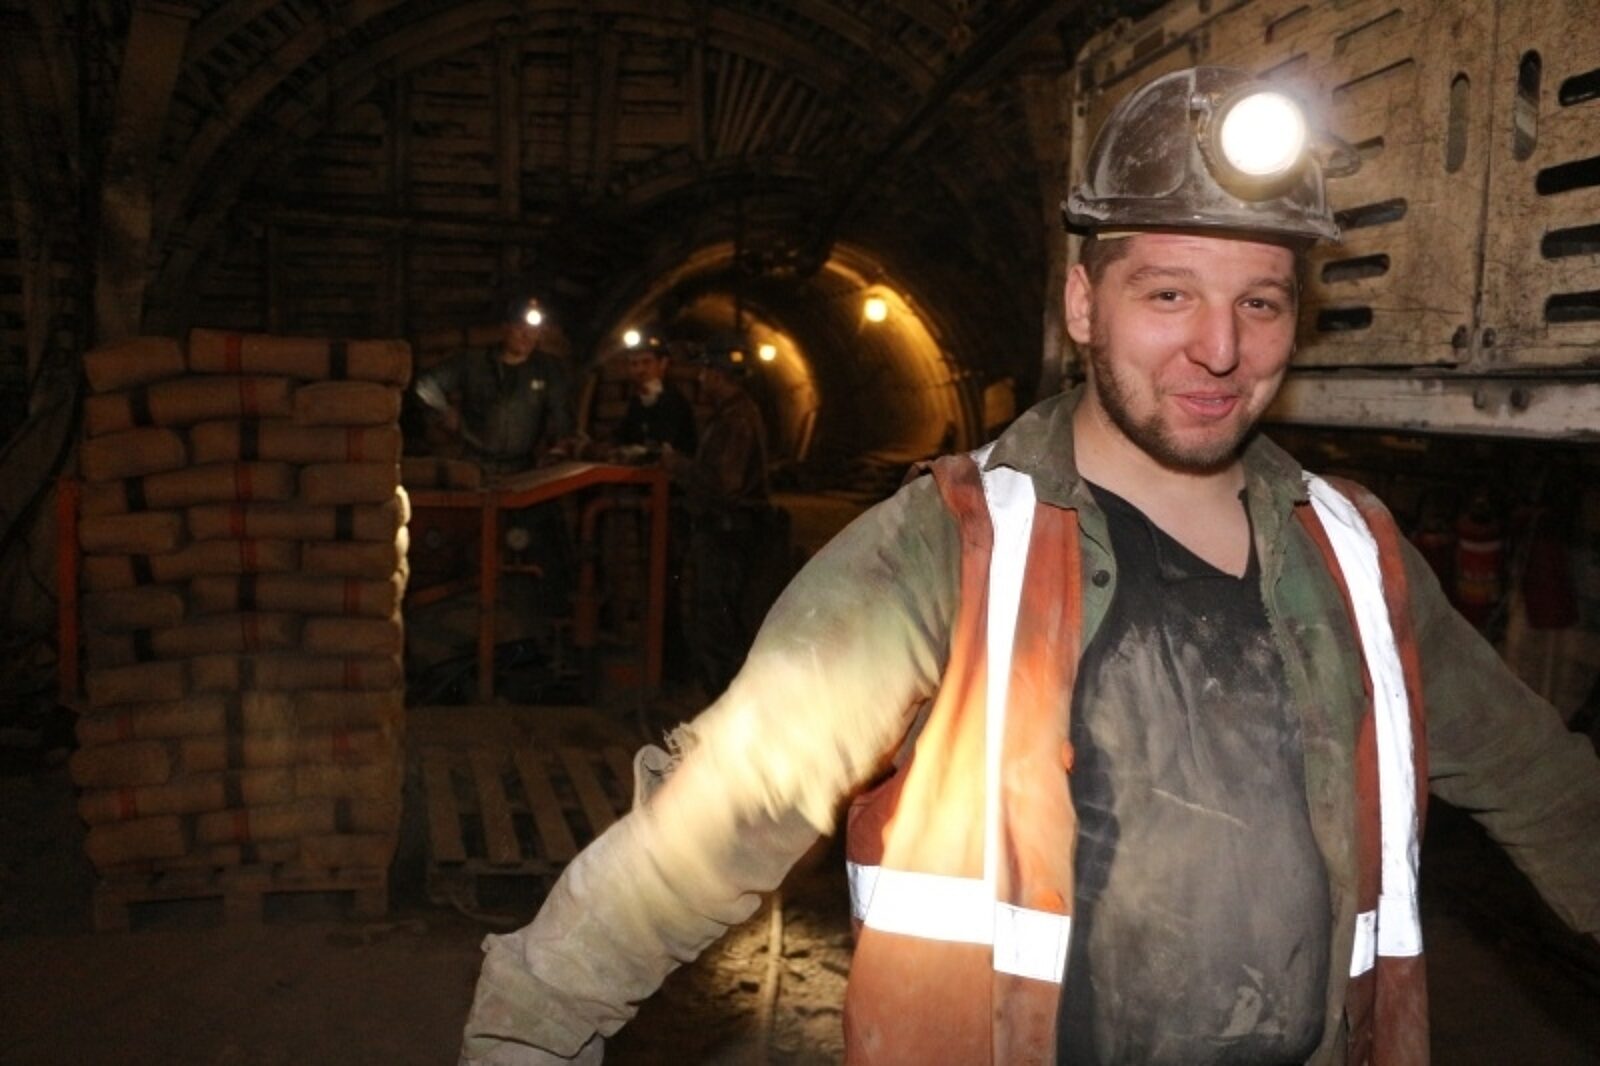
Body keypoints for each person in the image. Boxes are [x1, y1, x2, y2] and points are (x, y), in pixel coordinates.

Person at [460, 66, 1600, 1065]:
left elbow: (1544, 786)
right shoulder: (953, 545)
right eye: (1169, 293)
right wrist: (529, 1024)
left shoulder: (1353, 554)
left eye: (1259, 302)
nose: (1219, 347)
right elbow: (724, 808)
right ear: (1081, 305)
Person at [663, 342, 769, 698]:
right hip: (726, 532)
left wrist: (678, 465)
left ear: (719, 376)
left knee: (718, 622)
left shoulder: (736, 419)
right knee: (719, 619)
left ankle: (726, 702)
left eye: (705, 372)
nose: (700, 379)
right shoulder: (731, 413)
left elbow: (725, 484)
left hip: (727, 534)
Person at [413, 296, 575, 475]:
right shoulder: (474, 362)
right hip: (475, 465)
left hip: (524, 468)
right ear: (505, 328)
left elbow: (561, 412)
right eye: (519, 327)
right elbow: (425, 384)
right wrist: (443, 410)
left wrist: (560, 445)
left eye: (533, 329)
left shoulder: (547, 368)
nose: (527, 335)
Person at [613, 338, 698, 458]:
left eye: (647, 362)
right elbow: (623, 436)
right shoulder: (636, 401)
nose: (640, 370)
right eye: (634, 364)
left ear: (663, 363)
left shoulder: (674, 401)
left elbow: (665, 445)